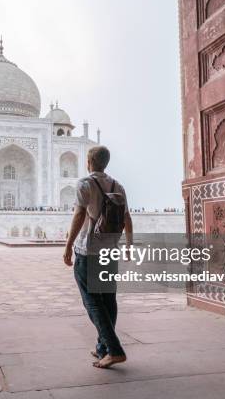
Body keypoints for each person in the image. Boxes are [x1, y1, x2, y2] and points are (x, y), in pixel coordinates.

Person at [63, 145, 133, 369]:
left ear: (89, 161)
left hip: (89, 250)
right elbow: (127, 217)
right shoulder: (118, 185)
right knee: (108, 299)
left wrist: (68, 246)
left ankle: (114, 349)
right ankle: (103, 348)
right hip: (110, 249)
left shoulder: (85, 184)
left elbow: (79, 214)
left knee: (92, 301)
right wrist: (128, 246)